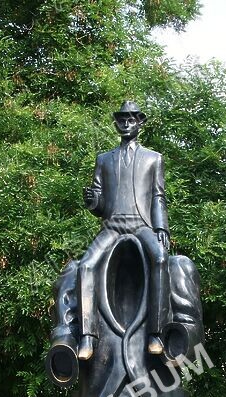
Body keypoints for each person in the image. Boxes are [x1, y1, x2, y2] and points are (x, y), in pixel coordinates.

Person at [77, 101, 170, 360]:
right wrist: (93, 202)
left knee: (161, 259)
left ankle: (156, 333)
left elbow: (158, 197)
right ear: (116, 123)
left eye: (131, 119)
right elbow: (100, 204)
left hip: (141, 225)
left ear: (140, 123)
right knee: (85, 266)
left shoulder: (154, 159)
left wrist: (162, 227)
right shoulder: (104, 159)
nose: (126, 123)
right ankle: (87, 337)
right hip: (113, 226)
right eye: (122, 119)